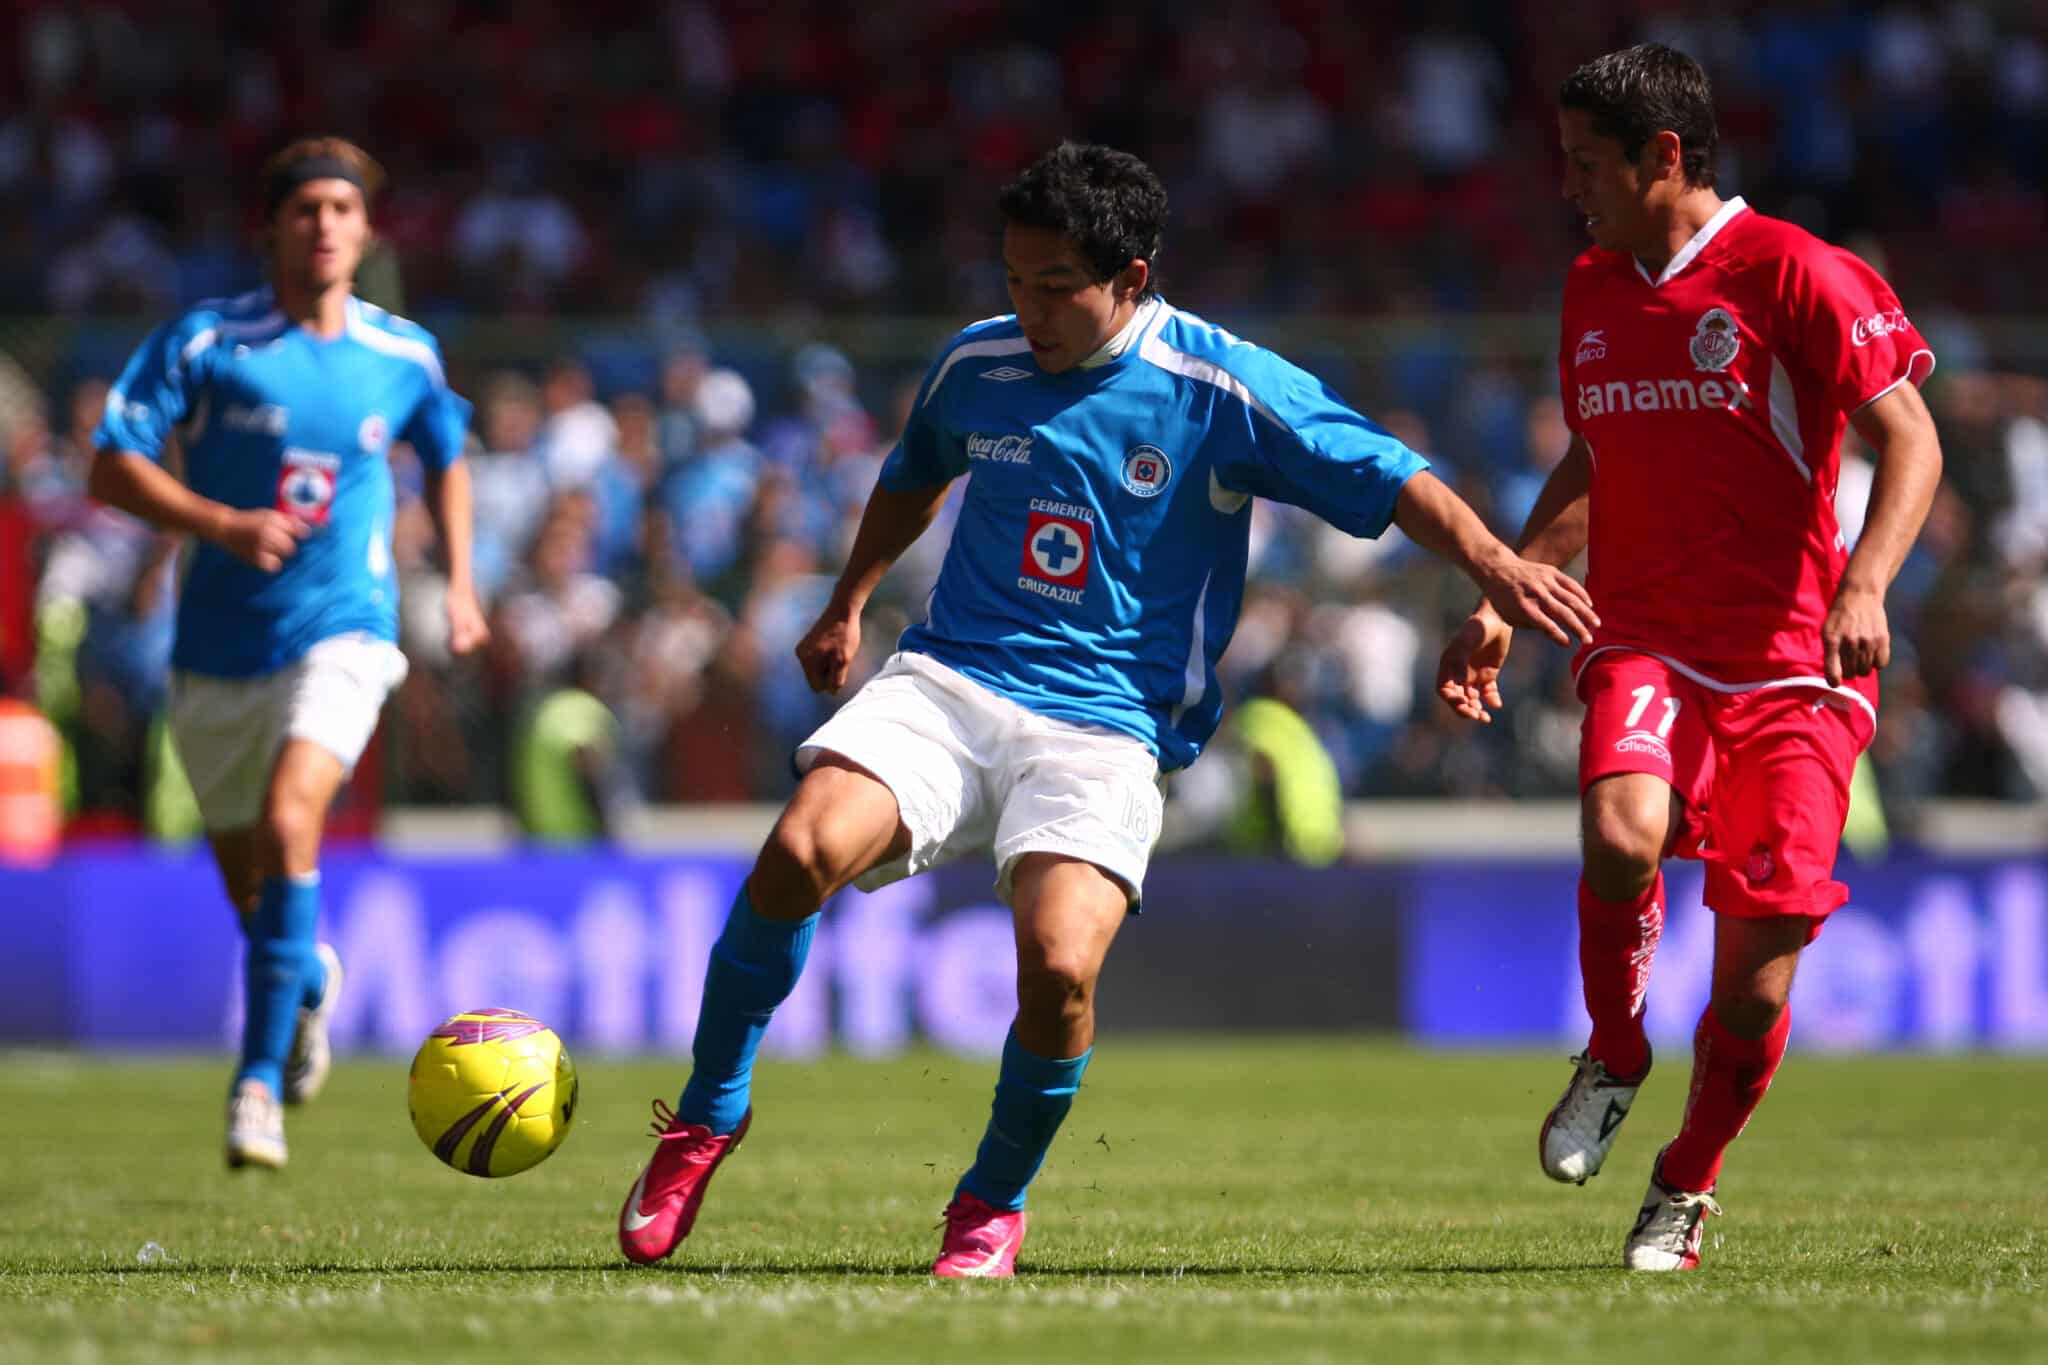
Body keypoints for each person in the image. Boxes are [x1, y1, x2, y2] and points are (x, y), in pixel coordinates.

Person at [618, 141, 1597, 1278]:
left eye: (1053, 288)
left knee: (1060, 966)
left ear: (1130, 279)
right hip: (950, 681)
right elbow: (913, 467)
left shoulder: (1221, 386)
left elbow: (1391, 475)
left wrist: (1492, 568)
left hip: (1107, 727)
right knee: (798, 848)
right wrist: (847, 601)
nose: (1025, 310)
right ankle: (708, 1112)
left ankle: (989, 1201)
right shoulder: (974, 365)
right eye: (1012, 281)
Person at [1436, 45, 1942, 1271]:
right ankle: (1614, 1050)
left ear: (1665, 155)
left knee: (1757, 991)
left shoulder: (1794, 272)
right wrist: (1509, 588)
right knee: (1618, 836)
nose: (1567, 187)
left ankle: (1685, 1181)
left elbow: (1911, 438)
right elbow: (1596, 455)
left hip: (1792, 665)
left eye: (1585, 163)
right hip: (1648, 634)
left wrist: (1864, 579)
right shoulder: (1593, 285)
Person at [89, 137, 486, 1169]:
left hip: (344, 631)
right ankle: (305, 985)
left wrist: (465, 585)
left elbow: (446, 456)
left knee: (290, 818)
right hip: (215, 654)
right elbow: (110, 468)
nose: (322, 224)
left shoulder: (403, 354)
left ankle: (255, 1088)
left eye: (340, 209)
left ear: (366, 230)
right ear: (267, 227)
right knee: (257, 894)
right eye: (303, 208)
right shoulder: (208, 342)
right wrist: (220, 524)